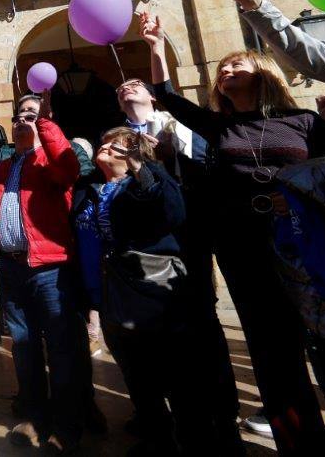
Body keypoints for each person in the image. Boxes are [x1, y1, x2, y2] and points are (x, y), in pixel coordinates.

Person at [140, 12, 325, 456]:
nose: (226, 71)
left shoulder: (304, 122)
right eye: (222, 69)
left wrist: (299, 197)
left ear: (263, 73)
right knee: (273, 356)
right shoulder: (221, 127)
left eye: (237, 65)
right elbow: (167, 98)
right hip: (244, 248)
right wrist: (156, 46)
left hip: (305, 245)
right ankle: (305, 448)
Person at [114, 78, 244, 451]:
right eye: (122, 87)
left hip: (187, 241)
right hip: (147, 253)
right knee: (160, 338)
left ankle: (224, 417)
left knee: (203, 330)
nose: (127, 88)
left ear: (152, 97)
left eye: (135, 84)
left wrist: (173, 153)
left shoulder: (174, 123)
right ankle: (168, 419)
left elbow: (206, 163)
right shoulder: (119, 135)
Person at [72, 127, 215, 455]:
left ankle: (195, 441)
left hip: (155, 290)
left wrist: (141, 166)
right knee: (136, 373)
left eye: (116, 145)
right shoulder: (90, 186)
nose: (105, 146)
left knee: (175, 374)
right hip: (112, 293)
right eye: (104, 141)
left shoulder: (151, 181)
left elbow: (172, 212)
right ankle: (158, 438)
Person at [0, 92, 86, 454]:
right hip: (12, 268)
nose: (23, 120)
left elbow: (71, 171)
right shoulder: (2, 168)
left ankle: (66, 425)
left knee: (62, 349)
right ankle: (34, 416)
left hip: (50, 269)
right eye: (19, 114)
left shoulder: (51, 162)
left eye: (31, 115)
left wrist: (47, 123)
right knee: (23, 349)